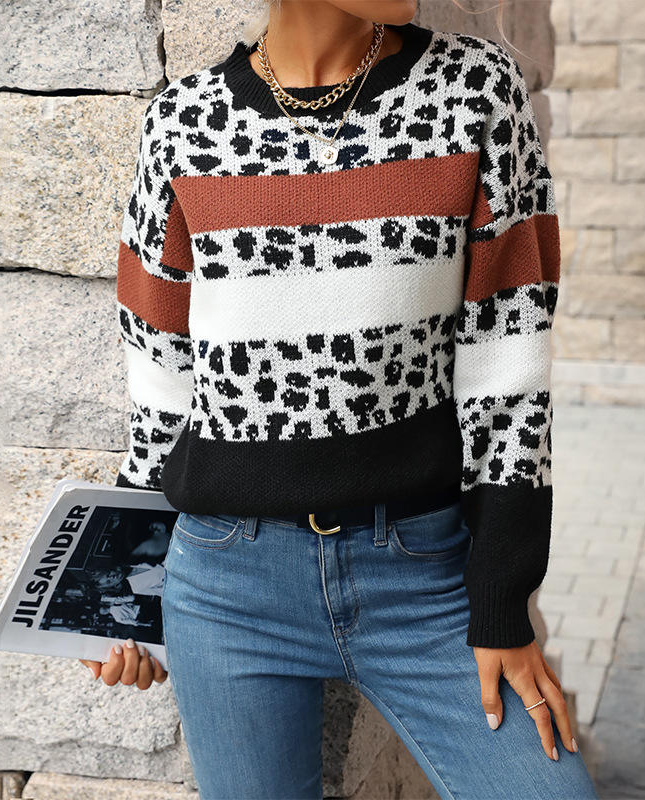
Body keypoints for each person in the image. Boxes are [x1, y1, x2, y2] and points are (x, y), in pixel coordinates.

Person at [82, 1, 601, 798]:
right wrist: (130, 591)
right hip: (226, 589)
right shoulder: (182, 119)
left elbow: (509, 360)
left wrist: (502, 601)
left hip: (425, 580)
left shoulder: (475, 88)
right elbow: (159, 374)